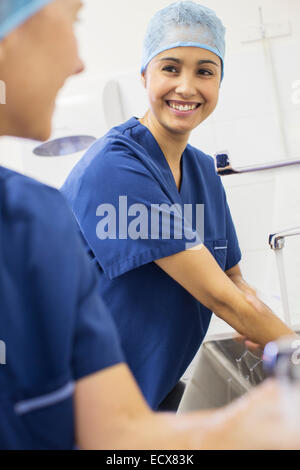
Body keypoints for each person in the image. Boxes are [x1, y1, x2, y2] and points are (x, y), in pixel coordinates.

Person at [0, 0, 299, 451]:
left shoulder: (201, 171)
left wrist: (269, 334)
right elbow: (221, 297)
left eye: (205, 71)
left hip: (141, 401)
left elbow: (232, 280)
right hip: (90, 416)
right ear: (144, 76)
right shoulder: (115, 170)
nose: (187, 85)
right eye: (170, 67)